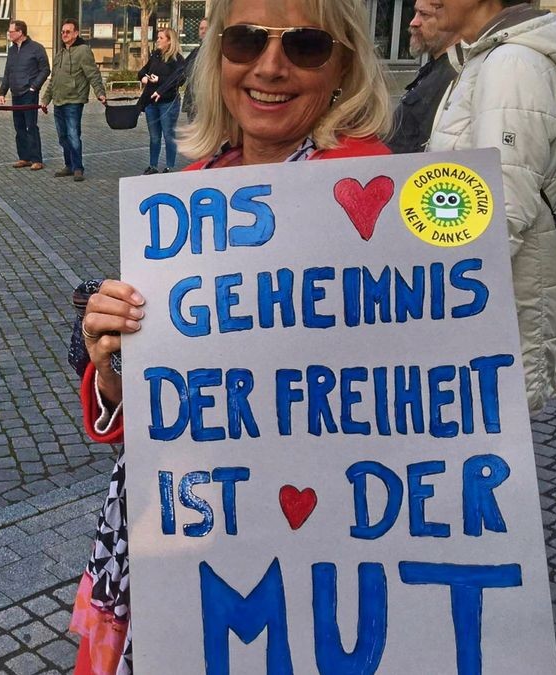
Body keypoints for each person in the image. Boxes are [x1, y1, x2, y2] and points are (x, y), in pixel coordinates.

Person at [71, 0, 391, 672]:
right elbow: (151, 405)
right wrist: (111, 364)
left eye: (303, 45)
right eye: (246, 41)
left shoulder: (375, 200)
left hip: (325, 548)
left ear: (343, 66)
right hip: (186, 536)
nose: (269, 67)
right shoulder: (189, 196)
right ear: (218, 58)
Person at [428, 0, 556, 413]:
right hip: (491, 291)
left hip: (496, 297)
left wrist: (446, 298)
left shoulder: (511, 64)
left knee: (491, 437)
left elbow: (501, 201)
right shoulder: (489, 56)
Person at [387, 0, 460, 153]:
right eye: (416, 13)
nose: (414, 22)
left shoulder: (456, 75)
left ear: (451, 21)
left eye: (424, 14)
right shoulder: (434, 68)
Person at [43, 19, 106, 182]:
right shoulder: (60, 54)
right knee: (63, 136)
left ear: (76, 33)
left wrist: (100, 92)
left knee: (73, 135)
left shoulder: (83, 51)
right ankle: (69, 165)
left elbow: (93, 74)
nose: (64, 34)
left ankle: (78, 168)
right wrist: (45, 99)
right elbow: (53, 80)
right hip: (58, 101)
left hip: (74, 100)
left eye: (68, 32)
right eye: (62, 32)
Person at [0, 20, 50, 171]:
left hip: (29, 93)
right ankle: (24, 157)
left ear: (20, 32)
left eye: (11, 31)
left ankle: (36, 159)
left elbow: (45, 69)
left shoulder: (36, 48)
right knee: (19, 127)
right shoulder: (12, 50)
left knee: (31, 126)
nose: (9, 34)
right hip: (16, 93)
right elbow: (8, 72)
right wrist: (2, 92)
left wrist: (34, 86)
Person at [138, 28, 186, 174]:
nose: (157, 40)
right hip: (151, 102)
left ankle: (169, 166)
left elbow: (180, 79)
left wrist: (160, 80)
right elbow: (143, 70)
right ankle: (153, 165)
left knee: (168, 134)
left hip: (168, 102)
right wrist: (143, 77)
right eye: (157, 37)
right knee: (154, 136)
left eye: (161, 38)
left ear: (169, 41)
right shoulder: (156, 56)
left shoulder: (177, 59)